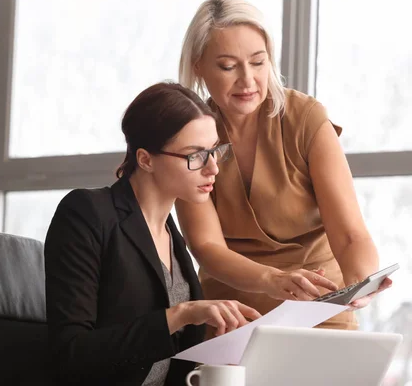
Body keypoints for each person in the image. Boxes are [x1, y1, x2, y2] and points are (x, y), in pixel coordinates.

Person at [176, 0, 392, 332]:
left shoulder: (306, 120)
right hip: (232, 315)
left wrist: (361, 283)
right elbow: (206, 246)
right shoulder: (189, 135)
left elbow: (350, 235)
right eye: (229, 66)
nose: (247, 80)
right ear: (197, 66)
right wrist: (271, 279)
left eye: (258, 62)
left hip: (320, 307)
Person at [44, 82, 261, 386]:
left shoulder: (172, 236)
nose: (213, 168)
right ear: (145, 159)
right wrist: (180, 315)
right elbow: (71, 352)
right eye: (196, 155)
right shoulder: (87, 213)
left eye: (214, 151)